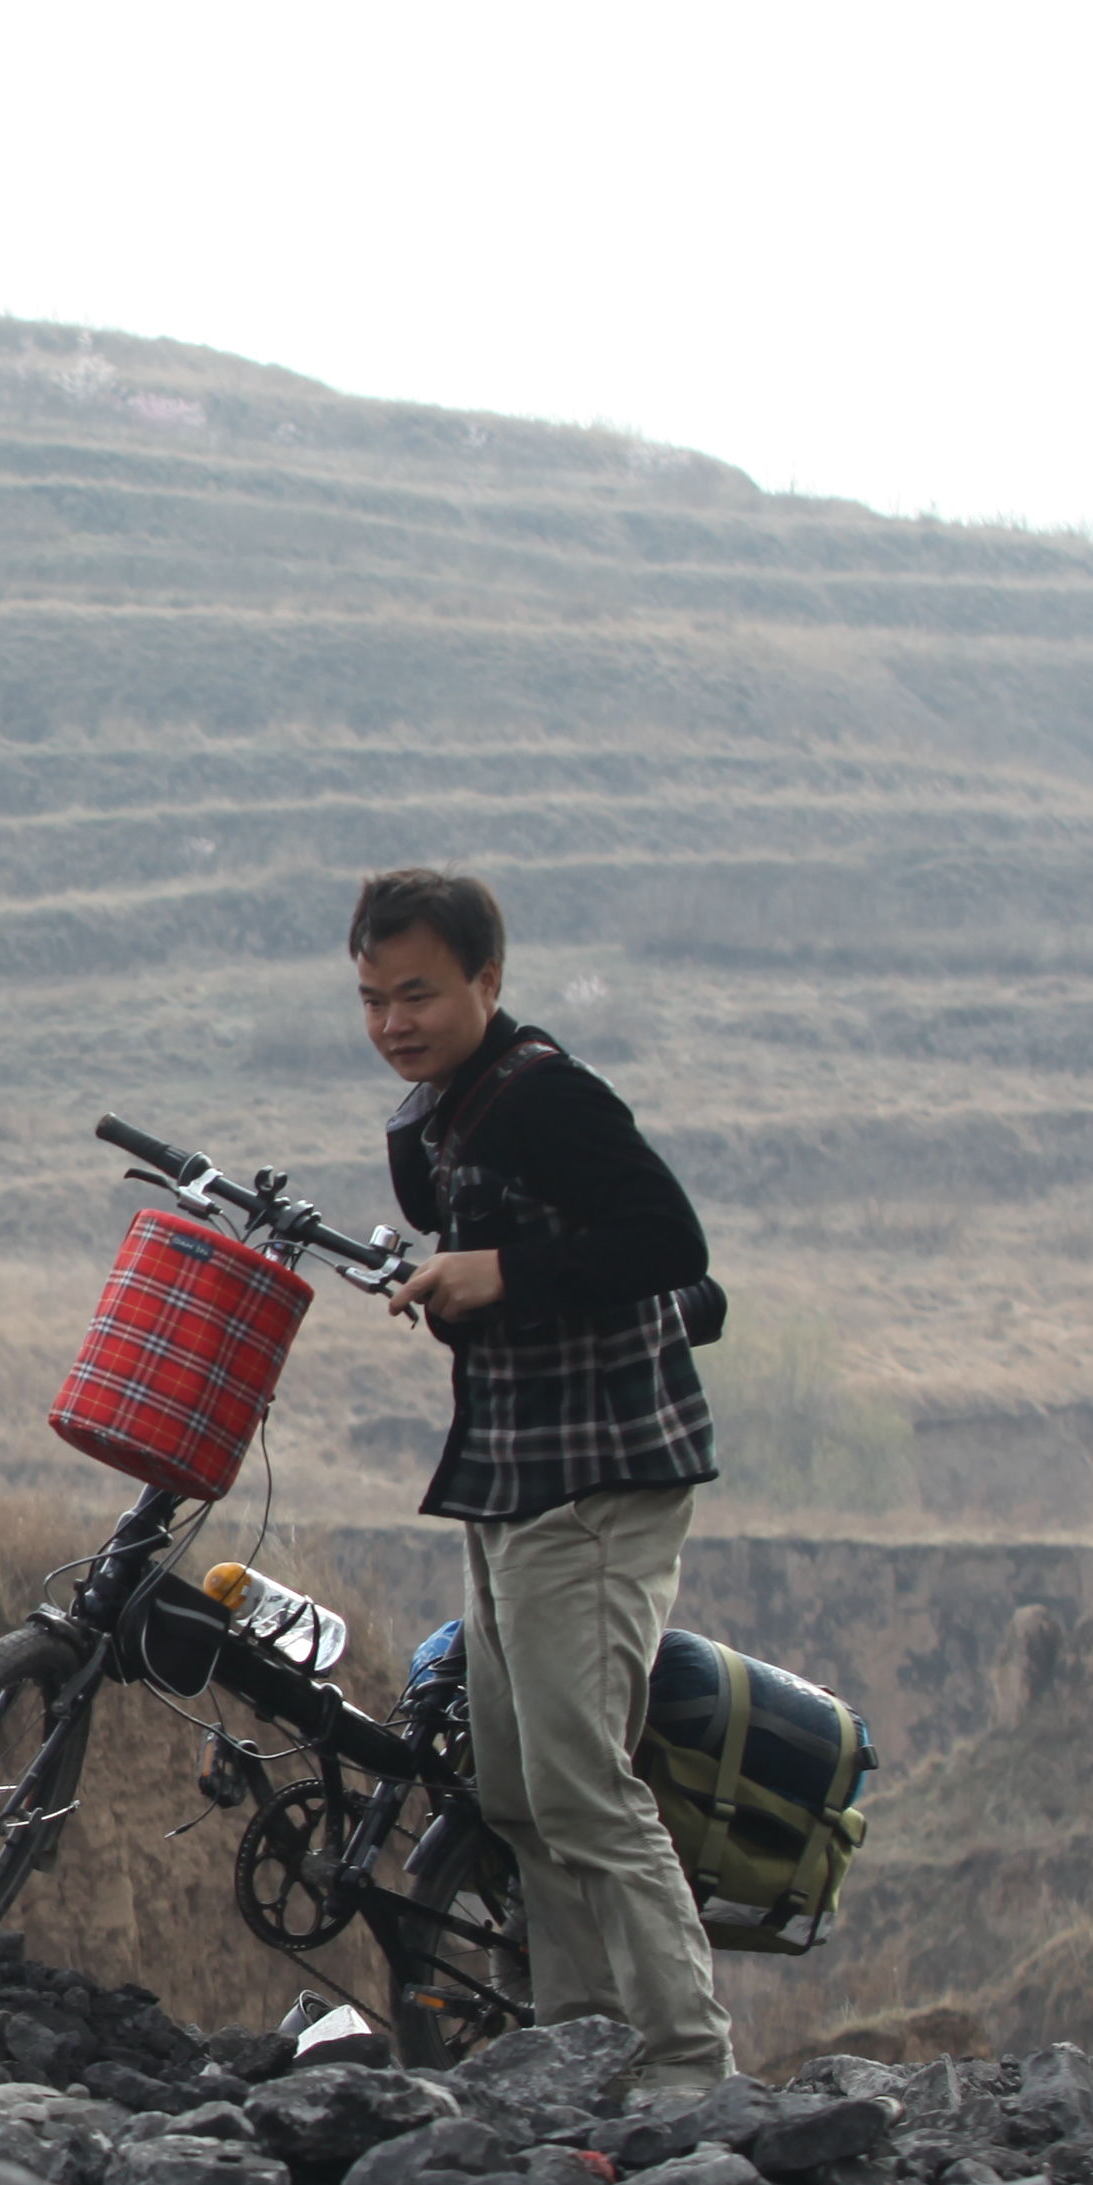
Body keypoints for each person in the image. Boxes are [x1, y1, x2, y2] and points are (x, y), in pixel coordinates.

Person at [354, 865, 734, 2100]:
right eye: (373, 1000)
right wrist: (456, 1282)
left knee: (583, 1789)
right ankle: (578, 2050)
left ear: (487, 981)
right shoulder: (442, 1117)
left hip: (598, 1477)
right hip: (511, 1475)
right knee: (518, 1795)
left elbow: (669, 1240)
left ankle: (689, 2070)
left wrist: (501, 1274)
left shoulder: (545, 1099)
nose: (394, 1023)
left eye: (418, 995)